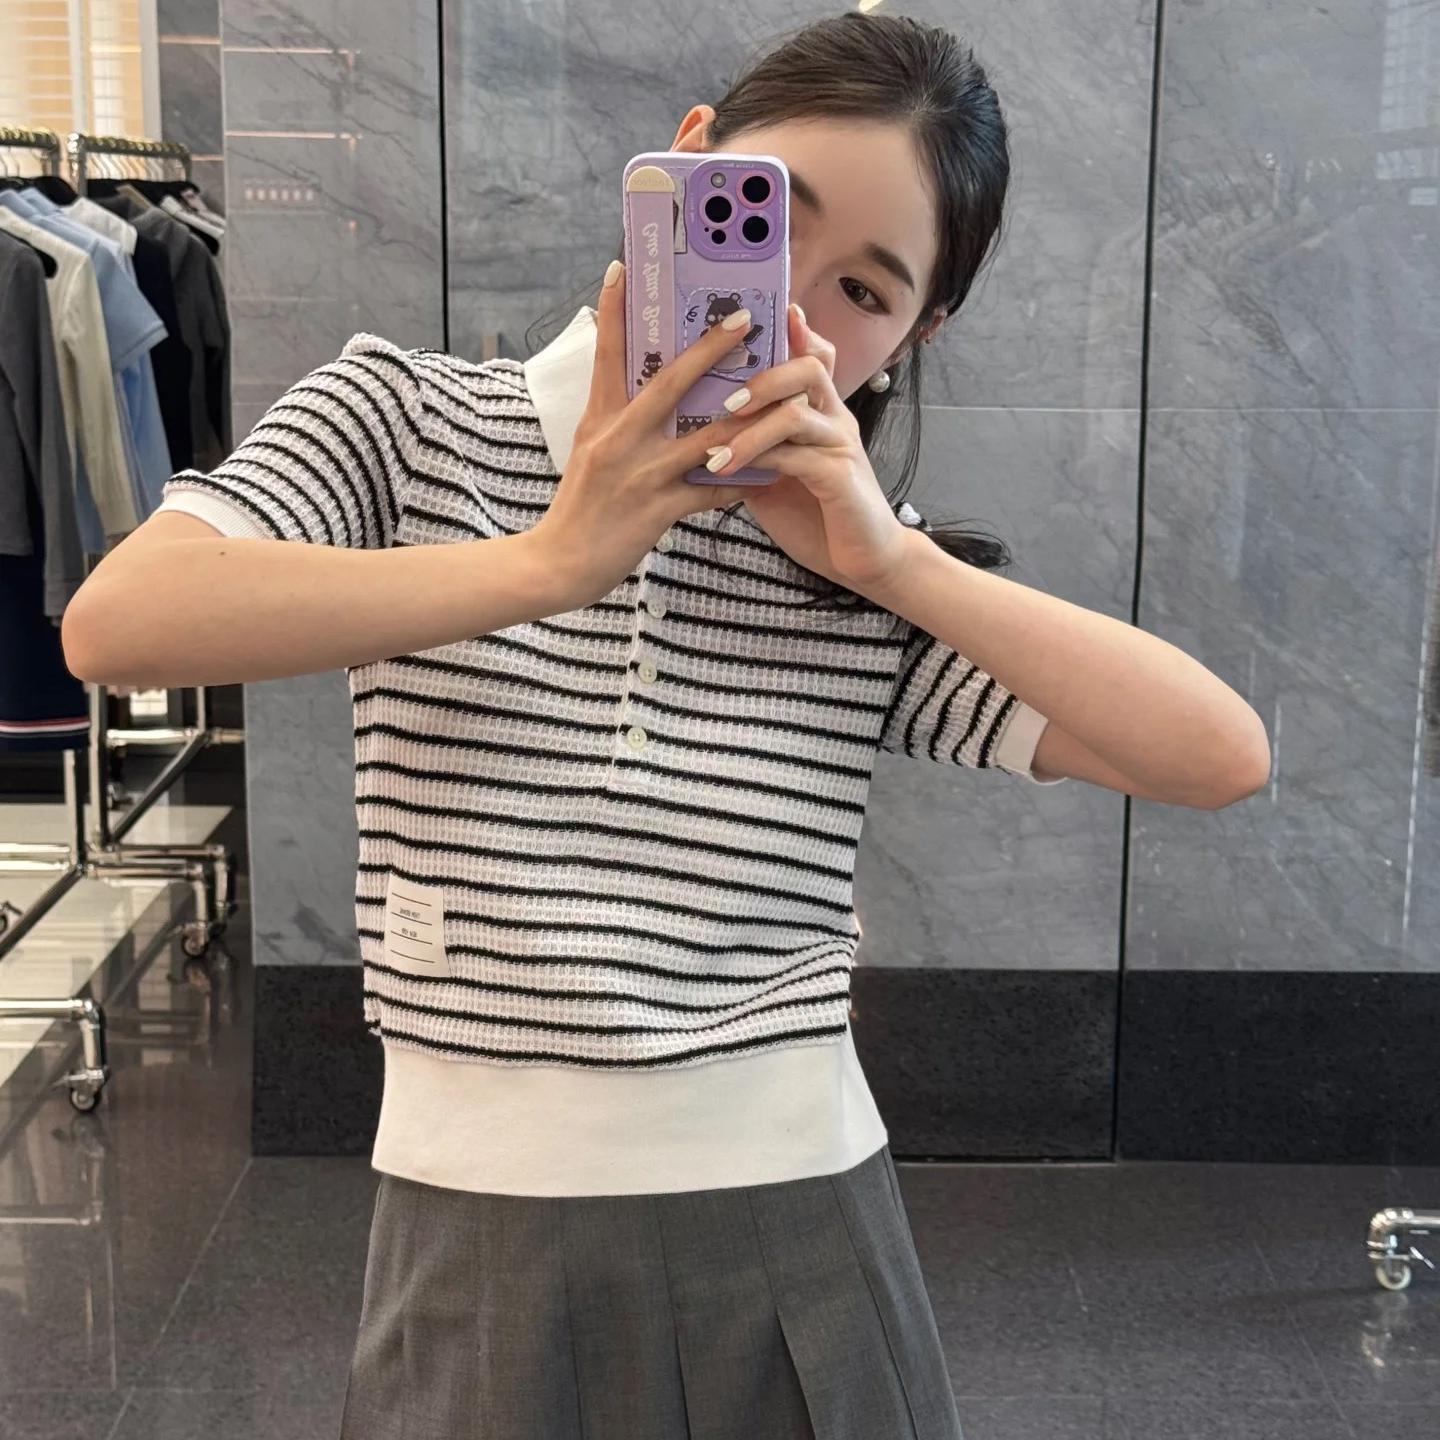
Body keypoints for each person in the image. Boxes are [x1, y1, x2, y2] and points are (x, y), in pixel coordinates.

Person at [65, 13, 1068, 1439]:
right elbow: (118, 625)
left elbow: (1216, 754)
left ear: (920, 333)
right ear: (688, 159)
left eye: (863, 289)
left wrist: (898, 563)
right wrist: (550, 561)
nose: (784, 304)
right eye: (764, 218)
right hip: (477, 1227)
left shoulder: (854, 561)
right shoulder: (402, 418)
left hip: (809, 1228)